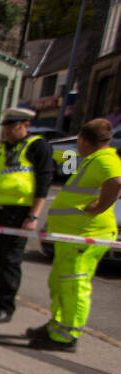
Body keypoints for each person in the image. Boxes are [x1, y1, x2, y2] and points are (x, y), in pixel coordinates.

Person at [27, 118, 121, 352]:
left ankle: (67, 337)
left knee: (74, 286)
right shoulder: (93, 160)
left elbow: (117, 182)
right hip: (71, 236)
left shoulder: (105, 159)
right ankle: (56, 326)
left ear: (82, 140)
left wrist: (100, 207)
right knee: (59, 283)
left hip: (85, 236)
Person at [0, 108, 54, 323]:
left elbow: (43, 183)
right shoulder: (3, 149)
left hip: (16, 214)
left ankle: (4, 307)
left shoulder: (38, 147)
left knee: (9, 263)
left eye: (12, 126)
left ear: (25, 125)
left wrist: (33, 216)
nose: (7, 131)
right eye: (5, 127)